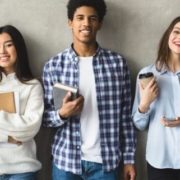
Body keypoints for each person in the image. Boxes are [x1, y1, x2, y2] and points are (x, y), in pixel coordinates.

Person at [42, 0, 136, 179]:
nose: (86, 23)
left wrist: (129, 159)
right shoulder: (54, 66)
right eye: (80, 18)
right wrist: (62, 113)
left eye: (92, 18)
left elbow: (125, 117)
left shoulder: (117, 63)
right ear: (70, 22)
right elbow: (44, 118)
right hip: (65, 163)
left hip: (106, 164)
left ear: (99, 23)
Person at [132, 16, 180, 180]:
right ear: (169, 34)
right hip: (159, 161)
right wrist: (144, 104)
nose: (179, 38)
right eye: (177, 31)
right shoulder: (148, 75)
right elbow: (139, 125)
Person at [0, 25, 44, 179]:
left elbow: (30, 126)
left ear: (18, 47)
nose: (2, 51)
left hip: (23, 169)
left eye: (8, 45)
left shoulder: (32, 86)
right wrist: (9, 138)